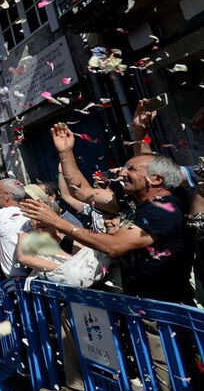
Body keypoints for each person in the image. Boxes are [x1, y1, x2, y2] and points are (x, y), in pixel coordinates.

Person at [27, 123, 194, 304]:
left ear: (156, 179)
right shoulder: (131, 203)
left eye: (131, 169)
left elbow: (114, 245)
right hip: (140, 305)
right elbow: (82, 191)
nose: (121, 173)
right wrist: (65, 152)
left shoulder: (164, 211)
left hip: (167, 313)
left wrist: (57, 223)